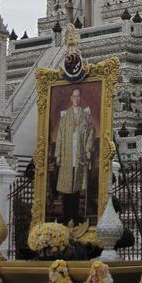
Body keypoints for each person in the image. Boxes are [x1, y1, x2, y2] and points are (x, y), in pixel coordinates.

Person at [55, 87, 95, 223]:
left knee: (76, 188)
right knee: (67, 187)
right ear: (71, 98)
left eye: (78, 96)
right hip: (67, 155)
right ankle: (66, 216)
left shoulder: (86, 115)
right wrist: (58, 155)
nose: (76, 99)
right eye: (74, 96)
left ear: (80, 98)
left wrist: (88, 148)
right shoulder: (65, 115)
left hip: (79, 155)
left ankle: (75, 217)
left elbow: (90, 132)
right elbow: (60, 136)